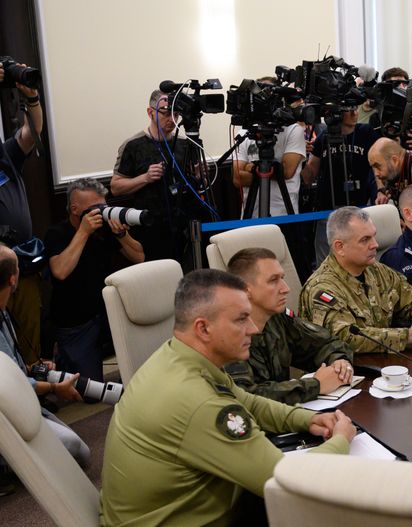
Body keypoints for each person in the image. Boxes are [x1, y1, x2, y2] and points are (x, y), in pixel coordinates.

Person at [100, 269, 356, 526]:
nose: (254, 329)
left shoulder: (175, 356)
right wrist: (341, 440)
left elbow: (247, 401)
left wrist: (308, 419)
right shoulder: (199, 402)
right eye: (241, 319)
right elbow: (287, 480)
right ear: (203, 328)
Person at [299, 207, 412, 354]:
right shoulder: (322, 288)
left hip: (385, 363)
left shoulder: (378, 271)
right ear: (340, 247)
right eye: (365, 240)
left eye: (373, 236)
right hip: (347, 371)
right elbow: (344, 338)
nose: (375, 245)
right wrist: (408, 336)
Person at [224, 247, 354, 404]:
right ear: (246, 289)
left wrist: (339, 363)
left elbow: (326, 343)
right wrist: (316, 385)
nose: (286, 288)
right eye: (273, 280)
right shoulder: (226, 334)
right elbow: (246, 398)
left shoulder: (277, 319)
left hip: (288, 418)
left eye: (282, 278)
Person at [0, 244, 90, 469]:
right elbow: (10, 388)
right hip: (8, 412)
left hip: (17, 400)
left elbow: (10, 368)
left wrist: (31, 368)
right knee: (78, 451)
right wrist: (54, 389)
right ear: (13, 279)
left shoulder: (3, 310)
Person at [46, 178, 144, 382]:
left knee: (141, 363)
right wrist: (83, 231)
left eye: (104, 206)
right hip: (76, 322)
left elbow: (139, 257)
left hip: (107, 312)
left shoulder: (105, 228)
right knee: (87, 391)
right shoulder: (57, 233)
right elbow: (60, 271)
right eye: (95, 207)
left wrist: (121, 234)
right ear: (75, 209)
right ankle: (61, 355)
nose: (101, 212)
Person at [110, 90, 204, 269]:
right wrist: (144, 178)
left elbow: (196, 185)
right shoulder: (133, 145)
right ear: (150, 112)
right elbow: (115, 187)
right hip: (149, 228)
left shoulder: (185, 144)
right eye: (166, 113)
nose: (172, 119)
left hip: (184, 226)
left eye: (176, 114)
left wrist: (198, 176)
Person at [0, 61, 44, 365]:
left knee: (28, 332)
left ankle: (36, 391)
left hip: (23, 262)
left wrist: (32, 98)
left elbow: (33, 130)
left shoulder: (5, 154)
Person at [301, 107, 379, 267]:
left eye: (355, 109)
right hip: (327, 211)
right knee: (326, 263)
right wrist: (300, 155)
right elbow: (309, 176)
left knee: (363, 257)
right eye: (348, 109)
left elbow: (379, 167)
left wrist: (381, 190)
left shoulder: (367, 133)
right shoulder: (324, 137)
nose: (354, 113)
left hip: (361, 208)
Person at [233, 78, 306, 217]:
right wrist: (265, 171)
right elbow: (237, 178)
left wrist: (251, 168)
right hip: (251, 216)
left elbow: (286, 172)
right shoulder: (244, 133)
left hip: (284, 215)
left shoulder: (293, 130)